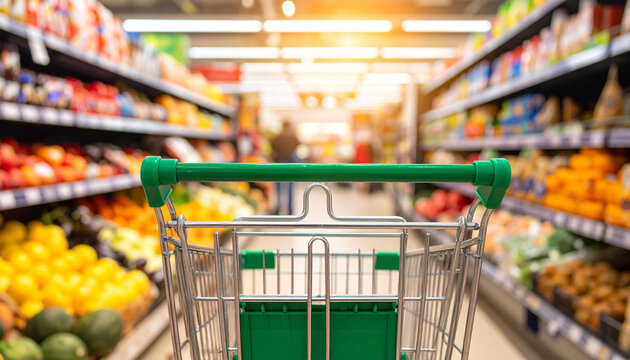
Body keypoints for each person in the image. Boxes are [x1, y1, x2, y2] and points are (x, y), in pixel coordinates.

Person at [271, 121, 300, 214]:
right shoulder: (293, 138)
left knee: (279, 188)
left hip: (278, 165)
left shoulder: (277, 138)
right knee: (290, 188)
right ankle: (290, 210)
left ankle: (278, 208)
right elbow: (298, 144)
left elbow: (273, 147)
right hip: (291, 166)